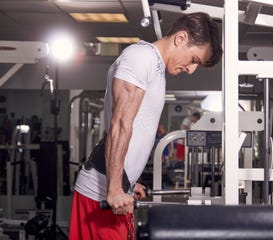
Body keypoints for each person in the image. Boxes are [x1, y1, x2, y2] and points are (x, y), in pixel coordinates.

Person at [69, 12, 222, 240]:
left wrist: (128, 182)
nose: (191, 70)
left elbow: (136, 131)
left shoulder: (157, 68)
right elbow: (120, 123)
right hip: (99, 195)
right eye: (194, 60)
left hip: (117, 190)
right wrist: (114, 189)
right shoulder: (140, 57)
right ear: (180, 38)